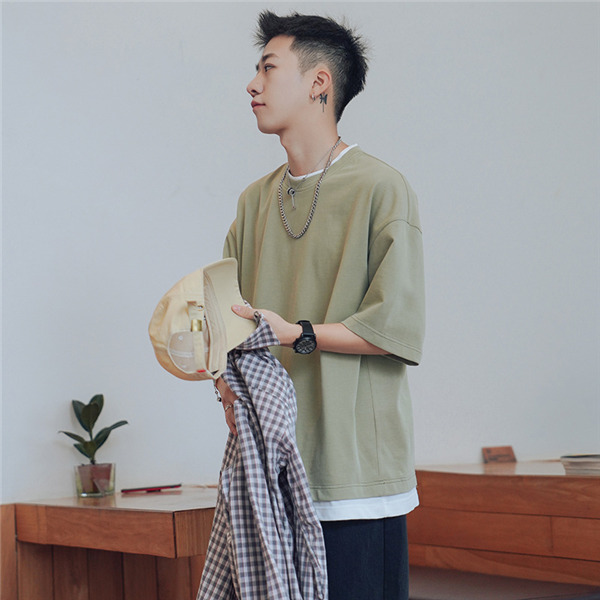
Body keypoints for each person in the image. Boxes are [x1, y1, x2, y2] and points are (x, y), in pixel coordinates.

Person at [214, 10, 425, 600]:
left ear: (319, 82)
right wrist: (224, 384)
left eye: (268, 68)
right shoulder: (254, 202)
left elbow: (396, 329)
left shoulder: (380, 188)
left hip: (356, 477)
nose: (252, 84)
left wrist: (295, 332)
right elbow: (224, 319)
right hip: (270, 475)